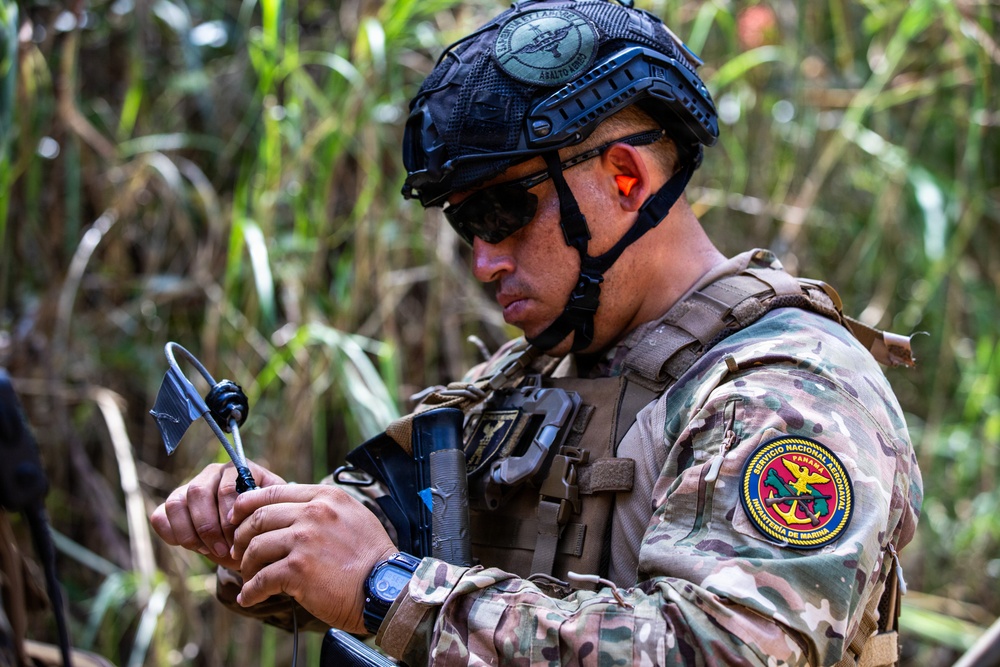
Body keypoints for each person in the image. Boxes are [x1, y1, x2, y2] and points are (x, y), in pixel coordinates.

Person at [150, 0, 923, 665]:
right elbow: (368, 532)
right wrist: (267, 526)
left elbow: (723, 648)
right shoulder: (526, 379)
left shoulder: (786, 386)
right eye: (466, 225)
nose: (484, 261)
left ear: (625, 177)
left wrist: (388, 589)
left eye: (502, 212)